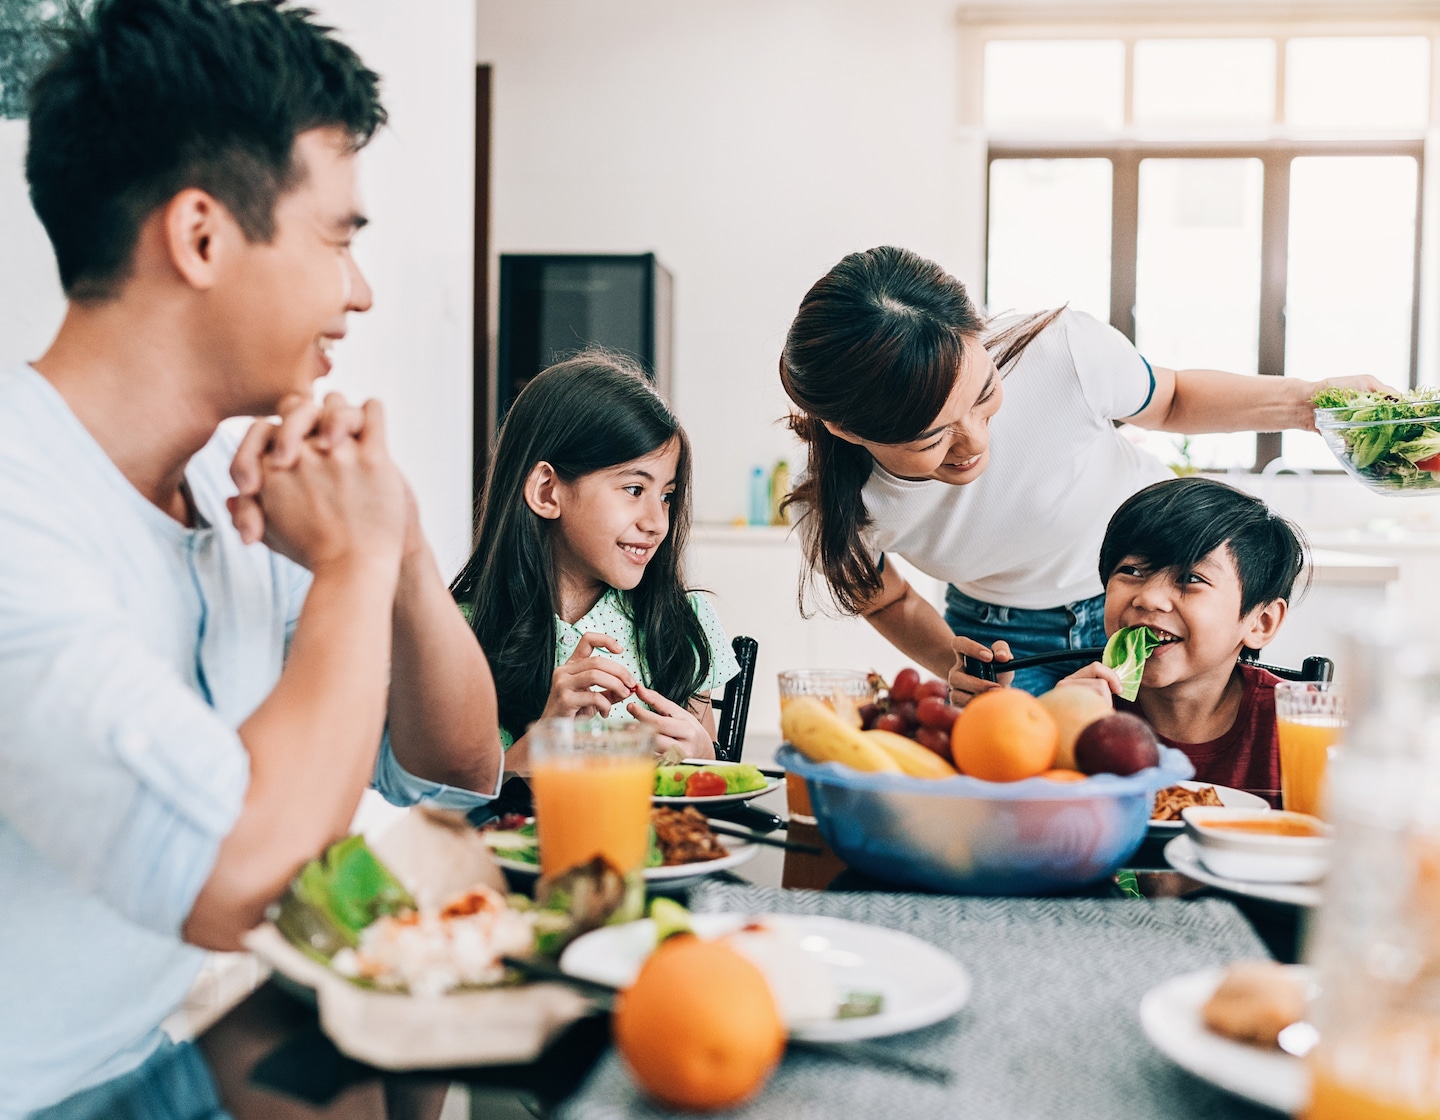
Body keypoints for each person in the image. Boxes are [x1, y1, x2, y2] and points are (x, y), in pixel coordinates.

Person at [0, 0, 503, 1113]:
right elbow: (236, 874)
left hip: (180, 1037)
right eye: (338, 238)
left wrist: (399, 537)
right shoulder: (18, 505)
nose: (359, 290)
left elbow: (461, 773)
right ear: (201, 236)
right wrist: (355, 566)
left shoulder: (245, 473)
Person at [779, 245, 1382, 697]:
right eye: (931, 437)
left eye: (985, 395)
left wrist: (1311, 405)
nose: (975, 442)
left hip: (1163, 592)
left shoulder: (1060, 353)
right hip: (1004, 642)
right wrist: (956, 668)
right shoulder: (833, 512)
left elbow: (1171, 400)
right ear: (848, 430)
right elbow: (890, 602)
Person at [451, 352, 740, 771]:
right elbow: (453, 808)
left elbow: (709, 787)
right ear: (548, 491)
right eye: (634, 489)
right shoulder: (459, 635)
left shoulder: (682, 622)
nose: (658, 522)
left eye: (667, 496)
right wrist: (547, 738)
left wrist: (704, 756)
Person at [974, 477, 1304, 805]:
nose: (1149, 599)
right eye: (1131, 571)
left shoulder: (1296, 723)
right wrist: (1053, 734)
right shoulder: (1085, 708)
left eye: (1190, 578)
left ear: (1261, 622)